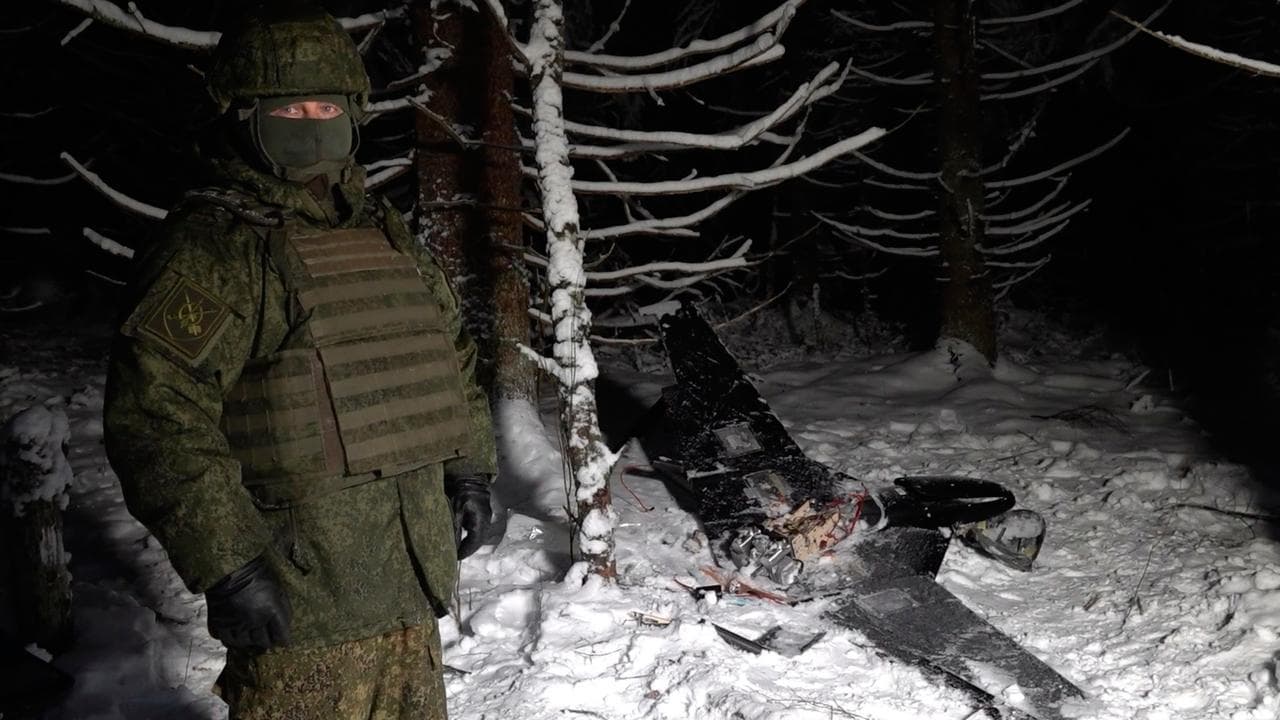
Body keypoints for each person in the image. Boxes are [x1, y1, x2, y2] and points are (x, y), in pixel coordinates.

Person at [102, 4, 497, 718]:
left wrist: (469, 466)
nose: (310, 120)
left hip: (409, 583)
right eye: (289, 105)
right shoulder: (216, 246)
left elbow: (449, 354)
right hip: (301, 600)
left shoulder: (382, 229)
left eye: (324, 103)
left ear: (353, 111)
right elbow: (156, 415)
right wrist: (229, 562)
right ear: (242, 116)